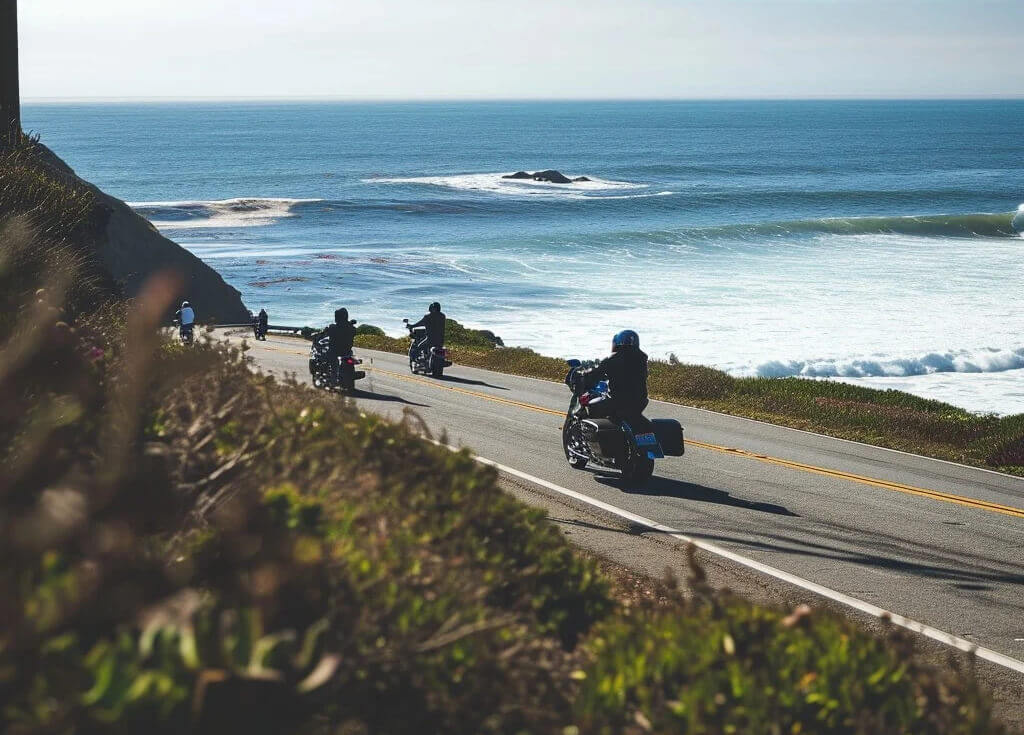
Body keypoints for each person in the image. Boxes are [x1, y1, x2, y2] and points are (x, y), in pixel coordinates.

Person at [579, 330, 649, 423]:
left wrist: (585, 378)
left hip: (619, 401)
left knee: (592, 407)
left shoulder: (613, 359)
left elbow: (595, 374)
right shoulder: (642, 359)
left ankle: (594, 436)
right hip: (640, 402)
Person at [323, 307, 356, 384]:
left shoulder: (332, 327)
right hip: (347, 351)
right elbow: (352, 330)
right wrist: (349, 323)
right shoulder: (352, 328)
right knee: (350, 357)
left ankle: (333, 379)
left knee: (328, 359)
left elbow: (328, 331)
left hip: (334, 351)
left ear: (337, 318)